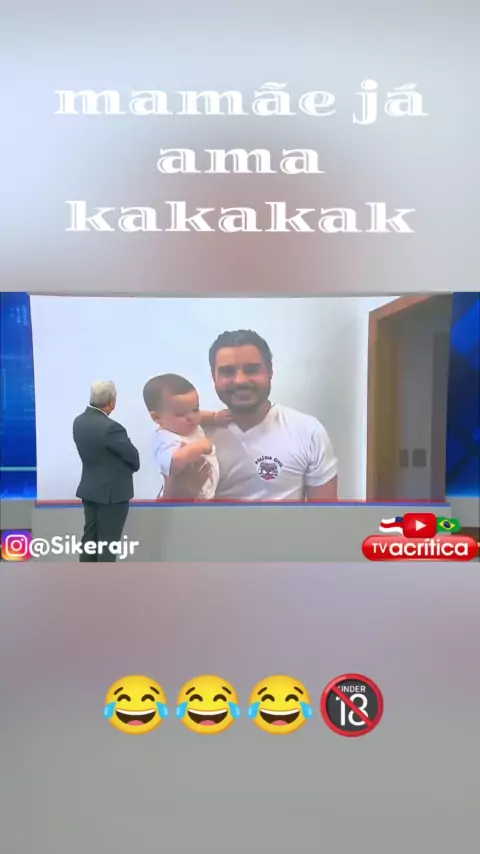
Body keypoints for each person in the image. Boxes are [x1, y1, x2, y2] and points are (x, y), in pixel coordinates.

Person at [165, 330, 338, 501]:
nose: (240, 380)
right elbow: (163, 515)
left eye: (251, 370)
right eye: (228, 371)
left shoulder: (308, 432)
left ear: (270, 371)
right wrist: (182, 492)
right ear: (214, 377)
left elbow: (325, 515)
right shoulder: (190, 435)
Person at [73, 381, 140, 560]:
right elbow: (133, 458)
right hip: (112, 496)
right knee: (108, 544)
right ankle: (104, 578)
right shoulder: (112, 428)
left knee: (89, 540)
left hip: (90, 491)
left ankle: (84, 577)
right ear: (111, 401)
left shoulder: (79, 422)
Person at [142, 373, 230, 499]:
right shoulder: (164, 439)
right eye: (181, 414)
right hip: (185, 498)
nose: (192, 417)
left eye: (195, 409)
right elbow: (174, 463)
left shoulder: (189, 424)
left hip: (206, 493)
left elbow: (200, 415)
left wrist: (214, 417)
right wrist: (199, 447)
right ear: (157, 417)